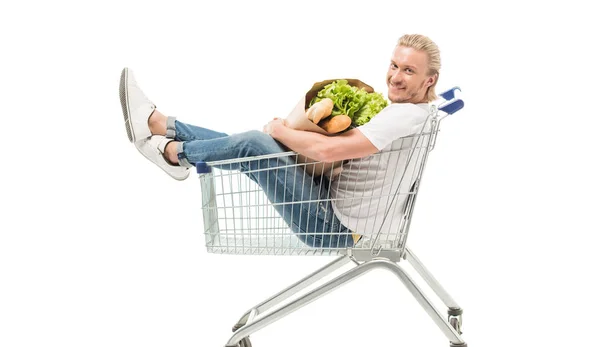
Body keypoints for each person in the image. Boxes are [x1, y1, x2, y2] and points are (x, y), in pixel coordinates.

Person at [120, 34, 440, 249]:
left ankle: (174, 154)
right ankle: (161, 125)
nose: (396, 77)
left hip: (330, 225)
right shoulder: (416, 112)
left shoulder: (402, 117)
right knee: (254, 150)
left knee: (256, 144)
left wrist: (282, 131)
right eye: (394, 65)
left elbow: (329, 149)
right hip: (332, 204)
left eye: (409, 70)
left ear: (430, 79)